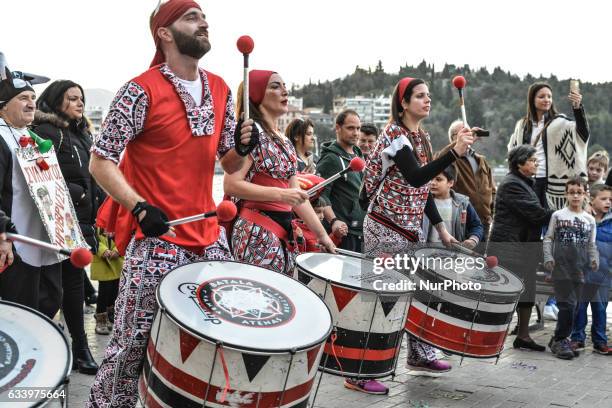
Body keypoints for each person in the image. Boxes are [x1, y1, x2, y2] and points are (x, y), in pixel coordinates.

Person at [86, 1, 253, 406]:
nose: (204, 22)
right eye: (191, 17)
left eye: (203, 16)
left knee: (216, 341)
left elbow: (229, 162)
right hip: (157, 240)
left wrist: (247, 147)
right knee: (130, 346)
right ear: (164, 33)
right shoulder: (139, 90)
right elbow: (100, 160)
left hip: (210, 238)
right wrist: (139, 206)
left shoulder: (221, 89)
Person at [360, 77, 474, 393]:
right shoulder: (394, 136)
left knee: (418, 294)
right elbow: (415, 177)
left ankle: (420, 356)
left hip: (408, 231)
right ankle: (360, 370)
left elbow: (422, 191)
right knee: (382, 300)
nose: (428, 100)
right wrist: (455, 152)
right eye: (420, 96)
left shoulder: (421, 137)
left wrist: (441, 231)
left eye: (429, 96)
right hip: (384, 227)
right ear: (404, 102)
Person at [224, 70, 335, 275]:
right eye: (275, 86)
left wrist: (322, 236)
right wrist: (282, 194)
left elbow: (297, 197)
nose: (285, 91)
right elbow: (232, 185)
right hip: (256, 232)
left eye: (284, 85)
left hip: (284, 235)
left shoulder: (284, 141)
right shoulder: (249, 133)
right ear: (256, 94)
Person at [33, 79, 99, 374]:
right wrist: (79, 194)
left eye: (81, 98)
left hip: (80, 221)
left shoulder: (80, 134)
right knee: (55, 291)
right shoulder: (47, 131)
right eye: (72, 98)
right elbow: (39, 172)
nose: (79, 103)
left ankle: (79, 348)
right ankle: (47, 347)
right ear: (56, 100)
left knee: (72, 287)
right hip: (56, 221)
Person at [0, 60, 64, 318]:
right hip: (15, 245)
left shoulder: (34, 138)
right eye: (22, 98)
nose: (31, 103)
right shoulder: (1, 137)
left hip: (45, 243)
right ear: (3, 106)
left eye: (33, 97)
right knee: (18, 316)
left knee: (47, 307)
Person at [489, 145, 554, 352]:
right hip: (510, 247)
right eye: (533, 160)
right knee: (505, 294)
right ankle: (489, 337)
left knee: (527, 292)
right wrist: (565, 213)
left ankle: (523, 336)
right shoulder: (511, 185)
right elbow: (536, 214)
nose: (537, 163)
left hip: (524, 247)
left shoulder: (526, 183)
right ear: (519, 163)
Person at [508, 82, 589, 210]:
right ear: (532, 99)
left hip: (549, 182)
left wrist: (578, 108)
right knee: (528, 222)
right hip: (526, 179)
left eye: (549, 96)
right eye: (542, 96)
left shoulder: (560, 123)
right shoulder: (522, 125)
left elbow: (582, 134)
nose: (547, 100)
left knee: (549, 220)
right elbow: (512, 150)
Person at [543, 177, 598, 359]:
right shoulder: (558, 215)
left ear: (585, 195)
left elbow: (592, 244)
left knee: (574, 307)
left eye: (579, 192)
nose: (575, 196)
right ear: (566, 194)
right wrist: (548, 257)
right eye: (572, 192)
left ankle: (558, 339)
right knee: (566, 305)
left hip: (580, 269)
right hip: (561, 267)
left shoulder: (589, 219)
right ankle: (560, 340)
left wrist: (593, 259)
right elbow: (549, 238)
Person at [571, 184, 611, 355]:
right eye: (603, 199)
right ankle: (577, 339)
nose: (608, 202)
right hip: (583, 273)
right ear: (591, 200)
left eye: (611, 199)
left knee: (600, 309)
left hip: (603, 275)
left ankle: (600, 341)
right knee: (580, 307)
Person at [317, 110, 365, 252]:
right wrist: (333, 221)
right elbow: (320, 195)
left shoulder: (358, 155)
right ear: (337, 128)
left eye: (358, 128)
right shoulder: (330, 159)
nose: (356, 133)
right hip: (342, 234)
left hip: (359, 231)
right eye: (350, 128)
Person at [439, 120, 496, 238]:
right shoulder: (450, 160)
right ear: (454, 137)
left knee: (481, 256)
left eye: (468, 132)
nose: (467, 135)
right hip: (462, 220)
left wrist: (491, 213)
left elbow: (492, 188)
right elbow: (439, 159)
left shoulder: (481, 160)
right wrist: (457, 145)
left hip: (484, 221)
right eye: (463, 133)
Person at [422, 164, 484, 247]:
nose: (433, 183)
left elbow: (476, 226)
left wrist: (473, 239)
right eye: (430, 179)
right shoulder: (422, 202)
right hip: (427, 253)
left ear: (450, 183)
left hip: (454, 253)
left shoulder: (463, 203)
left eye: (438, 179)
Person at [90, 224, 122, 336]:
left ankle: (109, 314)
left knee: (115, 290)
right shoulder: (96, 220)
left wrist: (117, 249)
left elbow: (125, 236)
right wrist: (102, 250)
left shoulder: (120, 218)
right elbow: (92, 237)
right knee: (104, 292)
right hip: (102, 261)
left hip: (117, 260)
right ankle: (101, 319)